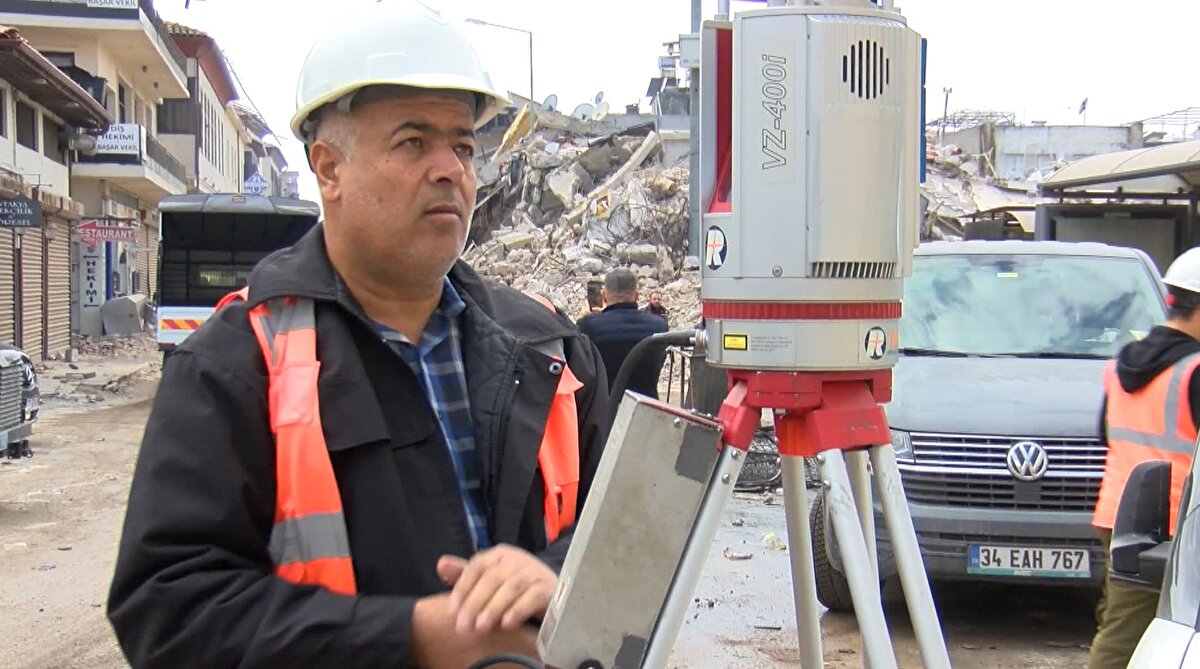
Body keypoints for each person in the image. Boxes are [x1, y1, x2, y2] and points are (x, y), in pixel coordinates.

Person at [105, 3, 609, 667]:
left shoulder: (551, 352)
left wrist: (557, 576)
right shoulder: (233, 367)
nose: (451, 169)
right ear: (328, 169)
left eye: (461, 144)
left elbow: (631, 531)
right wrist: (414, 637)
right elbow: (169, 613)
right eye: (412, 142)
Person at [1089, 247, 1200, 669]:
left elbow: (1106, 434)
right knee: (1125, 639)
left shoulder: (1122, 364)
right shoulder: (1194, 370)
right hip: (1175, 526)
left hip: (1118, 515)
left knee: (1120, 623)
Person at [577, 268, 669, 399]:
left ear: (604, 295)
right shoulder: (659, 325)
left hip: (605, 411)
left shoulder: (589, 326)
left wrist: (583, 319)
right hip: (645, 408)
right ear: (637, 296)